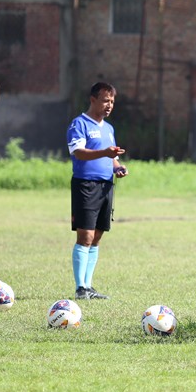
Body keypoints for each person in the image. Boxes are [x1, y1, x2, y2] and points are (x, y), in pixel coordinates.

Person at [67, 82, 127, 301]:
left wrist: (118, 167)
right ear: (93, 100)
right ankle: (80, 287)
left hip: (106, 186)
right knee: (85, 235)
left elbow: (113, 157)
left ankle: (89, 286)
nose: (109, 105)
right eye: (105, 100)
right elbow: (78, 152)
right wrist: (104, 152)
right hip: (86, 185)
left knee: (98, 236)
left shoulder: (109, 128)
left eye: (112, 101)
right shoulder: (80, 123)